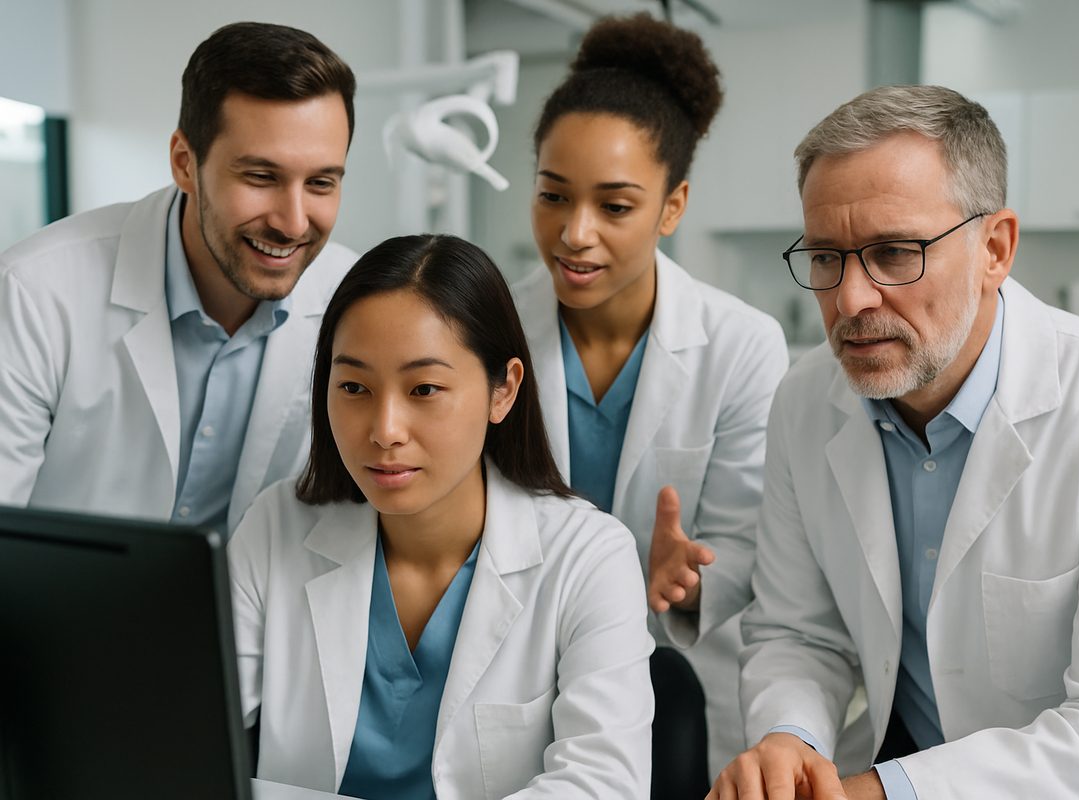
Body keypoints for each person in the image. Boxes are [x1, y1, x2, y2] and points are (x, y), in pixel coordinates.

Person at [709, 84, 1079, 799]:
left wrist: (866, 794)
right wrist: (792, 742)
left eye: (893, 252)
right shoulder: (804, 402)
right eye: (826, 257)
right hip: (883, 763)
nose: (850, 300)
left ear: (994, 249)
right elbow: (799, 631)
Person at [228, 234, 654, 799]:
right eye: (353, 386)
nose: (384, 429)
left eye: (424, 388)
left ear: (503, 390)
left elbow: (604, 785)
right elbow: (183, 737)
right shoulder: (275, 527)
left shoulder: (590, 558)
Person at [510, 13, 789, 784]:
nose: (574, 233)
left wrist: (693, 578)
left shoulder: (741, 345)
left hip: (674, 678)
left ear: (672, 206)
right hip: (522, 668)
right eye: (552, 196)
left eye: (616, 206)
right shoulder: (486, 328)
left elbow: (748, 540)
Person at [0, 21, 358, 535]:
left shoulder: (356, 299)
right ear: (185, 163)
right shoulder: (33, 291)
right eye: (261, 177)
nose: (293, 222)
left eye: (321, 182)